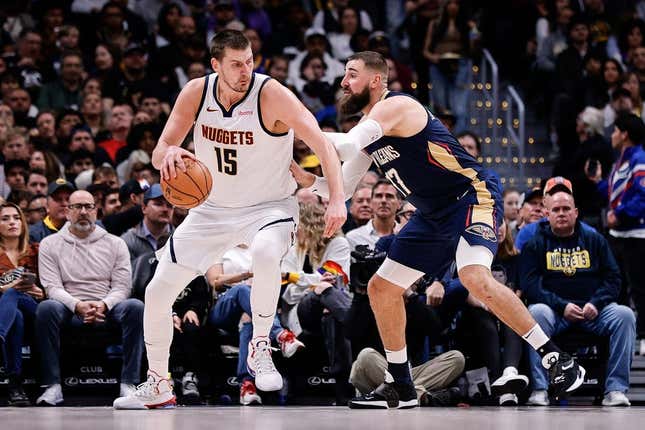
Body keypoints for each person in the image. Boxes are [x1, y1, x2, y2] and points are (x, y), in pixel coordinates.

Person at [290, 51, 584, 409]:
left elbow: (347, 144)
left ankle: (557, 358)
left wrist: (297, 124)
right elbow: (345, 188)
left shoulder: (396, 106)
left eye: (351, 74)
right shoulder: (369, 128)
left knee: (475, 276)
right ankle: (400, 385)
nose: (343, 82)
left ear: (376, 81)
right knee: (382, 288)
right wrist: (310, 180)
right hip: (432, 214)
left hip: (470, 195)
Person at [113, 29, 346, 410]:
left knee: (267, 253)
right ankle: (158, 383)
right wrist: (168, 156)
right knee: (157, 291)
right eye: (236, 64)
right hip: (211, 208)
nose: (245, 70)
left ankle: (260, 347)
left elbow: (320, 142)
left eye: (250, 61)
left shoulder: (271, 94)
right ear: (215, 65)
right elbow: (159, 151)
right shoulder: (196, 93)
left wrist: (336, 198)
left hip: (268, 206)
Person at [521, 190, 634, 407]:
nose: (561, 213)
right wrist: (561, 306)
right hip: (554, 312)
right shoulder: (535, 244)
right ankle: (540, 389)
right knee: (535, 312)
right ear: (547, 214)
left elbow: (613, 278)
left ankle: (615, 389)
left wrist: (596, 303)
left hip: (594, 312)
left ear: (576, 212)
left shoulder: (595, 240)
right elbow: (531, 286)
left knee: (625, 315)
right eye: (556, 209)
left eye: (566, 209)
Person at [35, 190, 143, 406]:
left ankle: (129, 383)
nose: (83, 212)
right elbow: (52, 287)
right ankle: (53, 386)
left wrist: (104, 304)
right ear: (67, 212)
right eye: (77, 207)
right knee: (46, 308)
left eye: (88, 207)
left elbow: (123, 286)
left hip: (108, 308)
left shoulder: (115, 243)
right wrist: (77, 305)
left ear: (96, 211)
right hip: (69, 309)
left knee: (135, 307)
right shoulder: (49, 244)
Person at [0, 202, 42, 406]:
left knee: (13, 295)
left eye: (16, 218)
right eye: (5, 218)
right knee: (14, 315)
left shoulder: (36, 250)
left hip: (35, 308)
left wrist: (40, 292)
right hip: (8, 311)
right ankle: (15, 386)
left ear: (23, 222)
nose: (12, 222)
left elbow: (52, 284)